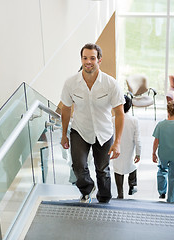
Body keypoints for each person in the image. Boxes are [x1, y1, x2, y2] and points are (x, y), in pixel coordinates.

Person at [60, 43, 125, 203]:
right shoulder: (71, 83)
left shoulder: (110, 84)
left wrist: (117, 142)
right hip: (80, 130)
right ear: (81, 59)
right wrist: (63, 135)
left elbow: (119, 113)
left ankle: (104, 200)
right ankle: (87, 189)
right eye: (85, 58)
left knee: (102, 170)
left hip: (103, 132)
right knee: (78, 167)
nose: (88, 61)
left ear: (99, 60)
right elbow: (66, 109)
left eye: (92, 58)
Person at [112, 95, 141, 199]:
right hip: (130, 149)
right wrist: (138, 153)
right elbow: (138, 140)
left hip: (116, 149)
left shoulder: (112, 120)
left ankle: (120, 194)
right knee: (132, 164)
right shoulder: (134, 120)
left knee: (118, 170)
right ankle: (132, 185)